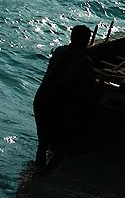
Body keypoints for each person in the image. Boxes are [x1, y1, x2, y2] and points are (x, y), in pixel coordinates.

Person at [32, 24, 95, 167]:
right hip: (58, 103)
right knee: (65, 145)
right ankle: (48, 173)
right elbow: (88, 86)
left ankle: (39, 171)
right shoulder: (85, 62)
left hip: (41, 98)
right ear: (85, 41)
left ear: (71, 38)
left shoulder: (59, 51)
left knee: (43, 143)